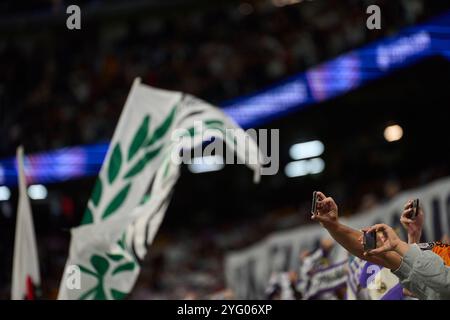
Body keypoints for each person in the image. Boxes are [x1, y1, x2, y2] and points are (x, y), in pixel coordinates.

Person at [311, 191, 450, 300]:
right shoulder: (441, 252)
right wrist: (413, 236)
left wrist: (398, 245)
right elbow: (415, 276)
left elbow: (440, 281)